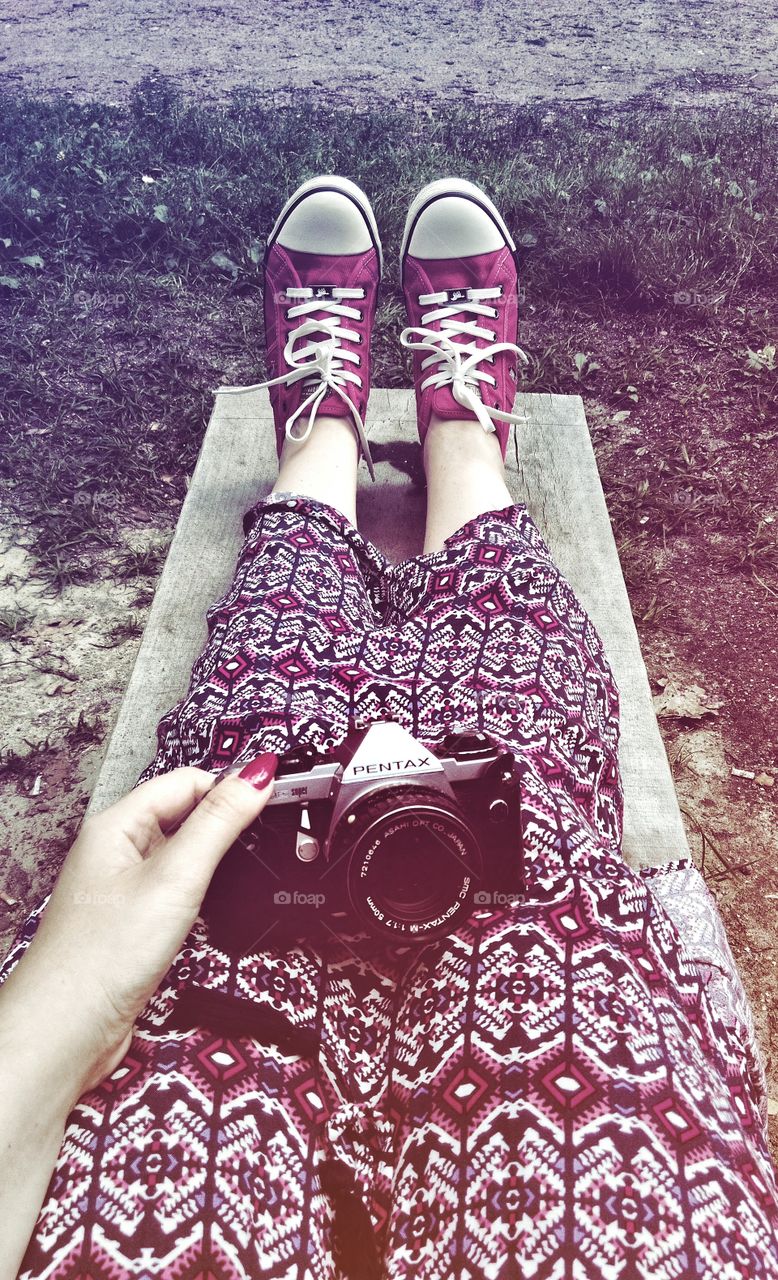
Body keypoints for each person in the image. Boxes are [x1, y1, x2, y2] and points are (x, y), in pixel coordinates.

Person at [0, 174, 776, 1280]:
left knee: (255, 735)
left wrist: (63, 1000)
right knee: (522, 757)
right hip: (522, 933)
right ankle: (464, 451)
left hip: (207, 968)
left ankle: (322, 451)